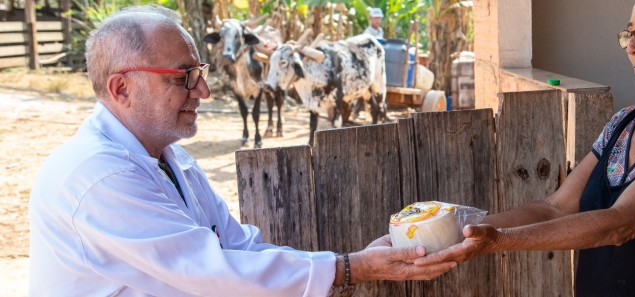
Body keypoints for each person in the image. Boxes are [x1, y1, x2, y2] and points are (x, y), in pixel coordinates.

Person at [28, 5, 455, 296]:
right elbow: (210, 272)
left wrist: (348, 264)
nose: (204, 90)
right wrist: (351, 268)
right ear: (122, 88)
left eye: (200, 72)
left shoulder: (172, 159)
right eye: (183, 76)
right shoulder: (98, 176)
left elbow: (236, 247)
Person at [414, 0, 635, 296]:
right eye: (629, 35)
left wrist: (499, 241)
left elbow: (622, 222)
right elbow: (555, 207)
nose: (632, 47)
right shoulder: (624, 121)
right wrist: (464, 233)